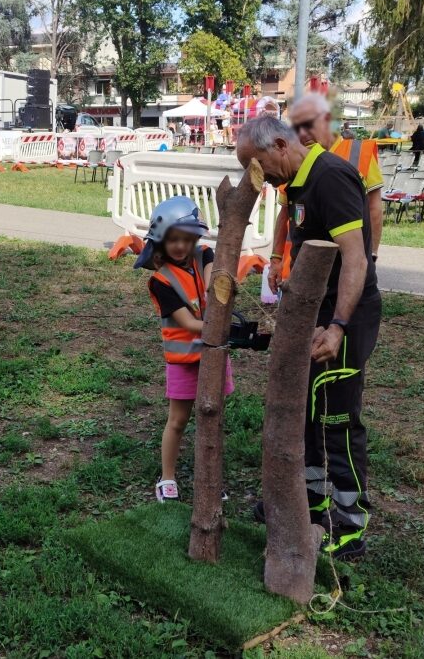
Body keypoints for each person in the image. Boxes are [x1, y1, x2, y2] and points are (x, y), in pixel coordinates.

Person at [236, 117, 380, 561]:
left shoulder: (331, 178)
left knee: (336, 419)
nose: (259, 177)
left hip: (345, 317)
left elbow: (356, 259)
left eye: (259, 165)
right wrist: (283, 267)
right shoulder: (296, 183)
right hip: (316, 312)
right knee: (308, 415)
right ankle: (312, 506)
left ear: (281, 144)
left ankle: (350, 523)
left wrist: (337, 326)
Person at [134, 196, 234, 503]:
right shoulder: (161, 281)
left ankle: (211, 477)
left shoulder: (204, 255)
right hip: (183, 362)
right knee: (177, 421)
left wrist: (213, 285)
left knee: (212, 418)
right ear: (160, 240)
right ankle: (167, 477)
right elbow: (188, 324)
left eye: (187, 239)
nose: (180, 246)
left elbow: (212, 280)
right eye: (174, 239)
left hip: (213, 356)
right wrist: (221, 328)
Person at [269, 94, 385, 293]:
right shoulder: (297, 158)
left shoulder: (359, 153)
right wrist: (276, 258)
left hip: (347, 261)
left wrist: (371, 254)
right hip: (304, 268)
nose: (302, 134)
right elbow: (284, 214)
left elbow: (374, 208)